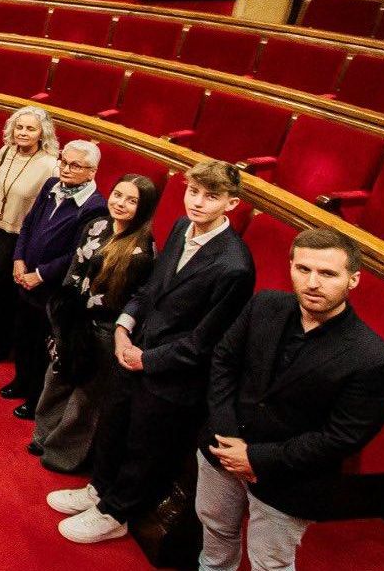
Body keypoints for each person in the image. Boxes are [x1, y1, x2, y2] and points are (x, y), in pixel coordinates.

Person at [51, 160, 256, 545]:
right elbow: (149, 290)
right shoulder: (181, 227)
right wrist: (125, 327)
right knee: (113, 426)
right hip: (135, 348)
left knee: (142, 446)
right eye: (193, 192)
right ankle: (99, 492)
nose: (197, 202)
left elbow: (205, 341)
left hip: (171, 375)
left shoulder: (235, 266)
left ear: (231, 203)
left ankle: (117, 513)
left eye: (210, 197)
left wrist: (147, 358)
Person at [195, 228, 384, 571]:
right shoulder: (264, 304)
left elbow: (341, 437)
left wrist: (256, 458)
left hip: (291, 478)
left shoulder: (373, 359)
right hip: (222, 447)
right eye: (303, 269)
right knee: (215, 530)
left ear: (354, 279)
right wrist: (228, 435)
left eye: (328, 273)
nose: (313, 283)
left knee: (270, 562)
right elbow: (223, 362)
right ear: (290, 266)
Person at [30, 174, 158, 473]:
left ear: (144, 208)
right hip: (73, 317)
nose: (120, 203)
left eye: (131, 200)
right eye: (117, 194)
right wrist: (61, 315)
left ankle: (62, 455)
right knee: (57, 377)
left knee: (85, 398)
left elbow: (134, 300)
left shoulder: (143, 250)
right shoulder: (96, 225)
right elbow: (73, 270)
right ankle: (42, 436)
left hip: (103, 330)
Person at [4, 140, 109, 419]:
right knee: (23, 336)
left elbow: (77, 253)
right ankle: (21, 381)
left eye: (75, 165)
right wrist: (18, 258)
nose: (66, 168)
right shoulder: (51, 185)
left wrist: (39, 275)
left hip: (51, 289)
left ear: (92, 171)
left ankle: (35, 397)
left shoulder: (95, 208)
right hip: (26, 275)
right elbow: (28, 224)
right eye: (64, 161)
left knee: (42, 345)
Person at [0, 107, 60, 364]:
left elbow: (46, 213)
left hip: (15, 235)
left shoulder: (50, 166)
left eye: (30, 128)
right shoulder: (5, 151)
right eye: (19, 127)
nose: (23, 132)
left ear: (42, 133)